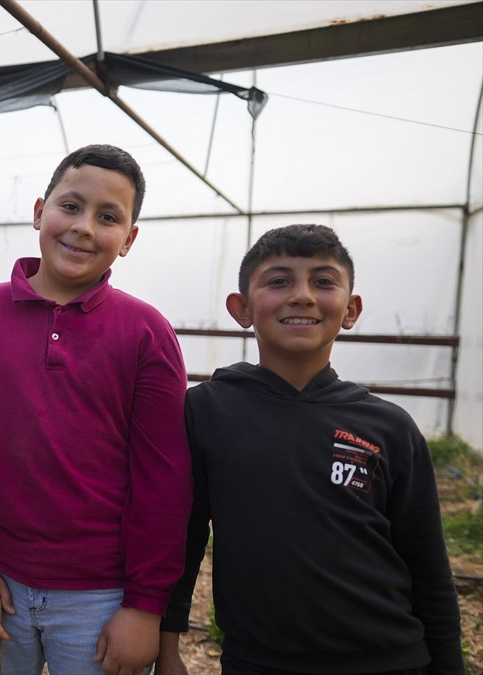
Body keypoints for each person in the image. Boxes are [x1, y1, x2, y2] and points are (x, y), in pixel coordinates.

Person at [0, 144, 191, 675]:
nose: (84, 227)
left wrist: (143, 606)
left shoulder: (146, 332)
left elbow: (165, 478)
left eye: (108, 217)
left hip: (101, 598)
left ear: (129, 240)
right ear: (40, 210)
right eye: (71, 206)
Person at [155, 224, 464, 675]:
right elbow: (182, 542)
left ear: (351, 309)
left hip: (390, 660)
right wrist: (167, 649)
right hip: (257, 662)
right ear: (241, 308)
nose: (302, 295)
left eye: (323, 281)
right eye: (278, 281)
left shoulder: (390, 426)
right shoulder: (206, 411)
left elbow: (430, 569)